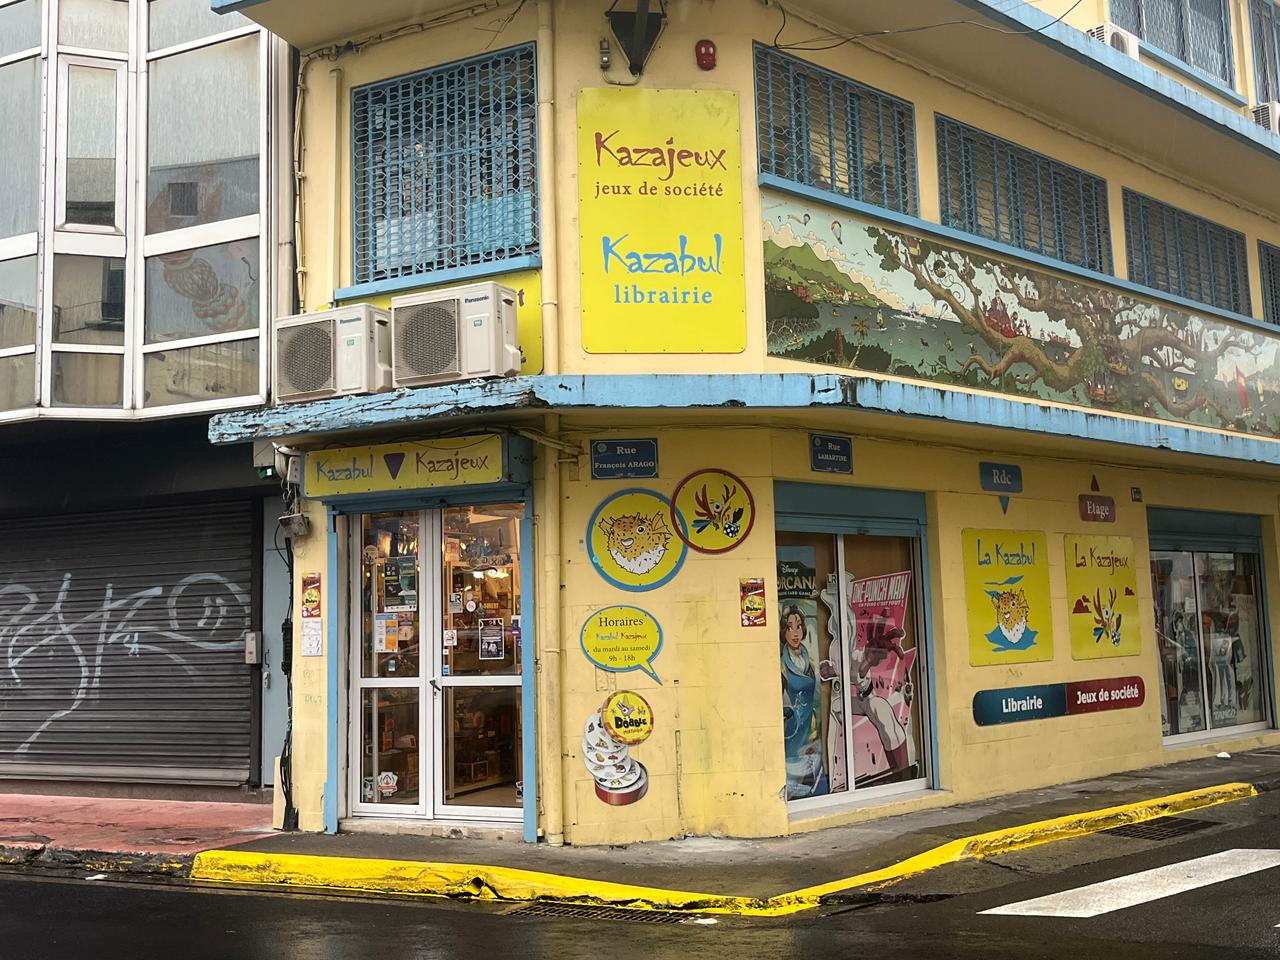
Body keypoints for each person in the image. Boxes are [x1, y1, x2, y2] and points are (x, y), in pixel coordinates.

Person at [780, 605, 827, 799]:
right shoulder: (782, 664)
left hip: (811, 725)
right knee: (794, 771)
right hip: (793, 729)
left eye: (798, 626)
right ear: (783, 631)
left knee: (811, 769)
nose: (795, 633)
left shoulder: (809, 659)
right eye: (789, 627)